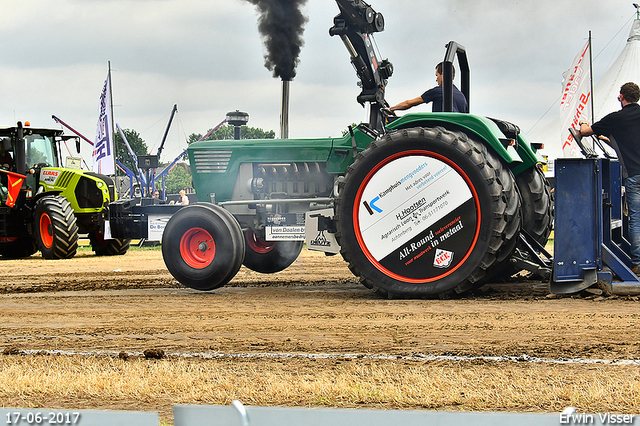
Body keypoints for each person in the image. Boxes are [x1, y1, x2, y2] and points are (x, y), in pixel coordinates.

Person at [577, 82, 640, 273]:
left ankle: (638, 262)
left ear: (621, 97)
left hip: (634, 176)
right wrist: (611, 140)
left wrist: (583, 123)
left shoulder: (615, 119)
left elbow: (586, 133)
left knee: (636, 218)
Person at [387, 62, 468, 114]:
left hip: (440, 133)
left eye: (437, 75)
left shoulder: (438, 91)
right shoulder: (462, 97)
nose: (436, 79)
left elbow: (408, 103)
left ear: (444, 74)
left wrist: (391, 109)